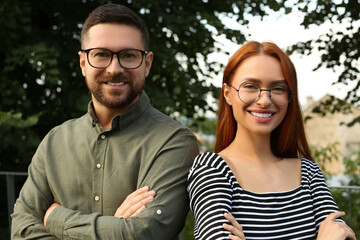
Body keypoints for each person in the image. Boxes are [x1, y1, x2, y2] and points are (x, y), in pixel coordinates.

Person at [11, 3, 199, 239]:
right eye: (101, 54)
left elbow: (145, 234)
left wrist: (56, 219)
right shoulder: (54, 142)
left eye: (128, 55)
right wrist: (117, 228)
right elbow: (22, 230)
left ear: (147, 63)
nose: (114, 68)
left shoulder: (173, 141)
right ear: (82, 63)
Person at [187, 41, 356, 240]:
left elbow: (341, 235)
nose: (265, 100)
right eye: (250, 86)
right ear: (227, 94)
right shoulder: (212, 169)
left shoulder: (309, 173)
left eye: (277, 88)